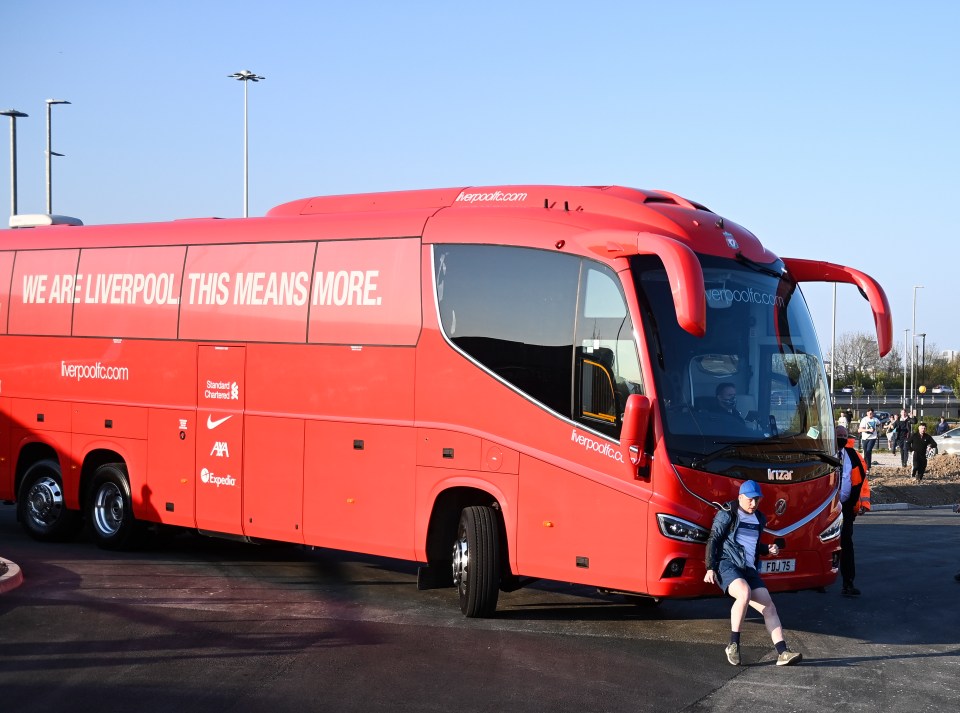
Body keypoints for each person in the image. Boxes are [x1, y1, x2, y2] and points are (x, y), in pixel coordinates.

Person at [703, 480, 803, 667]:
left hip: (748, 568)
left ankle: (782, 653)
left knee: (769, 607)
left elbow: (753, 546)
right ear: (740, 497)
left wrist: (768, 549)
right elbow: (713, 539)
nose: (754, 503)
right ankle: (733, 644)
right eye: (750, 499)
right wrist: (710, 567)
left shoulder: (759, 518)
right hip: (728, 564)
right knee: (744, 593)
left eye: (757, 500)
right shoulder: (727, 514)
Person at [836, 425, 866, 596]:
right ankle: (818, 580)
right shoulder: (826, 455)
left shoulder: (853, 455)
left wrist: (858, 504)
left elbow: (861, 481)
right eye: (839, 434)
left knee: (846, 544)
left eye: (844, 435)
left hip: (846, 508)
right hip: (825, 509)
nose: (842, 437)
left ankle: (848, 582)